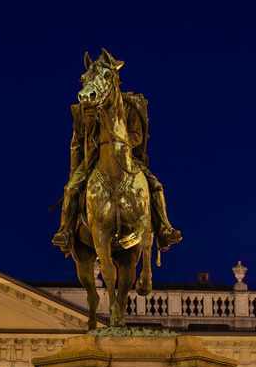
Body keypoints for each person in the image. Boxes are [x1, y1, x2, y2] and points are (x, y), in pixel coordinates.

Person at [51, 53, 181, 254]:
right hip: (95, 158)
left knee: (156, 186)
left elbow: (137, 135)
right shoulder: (89, 110)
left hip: (127, 157)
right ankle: (65, 231)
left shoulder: (129, 107)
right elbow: (79, 139)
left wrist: (120, 142)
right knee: (71, 188)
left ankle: (164, 228)